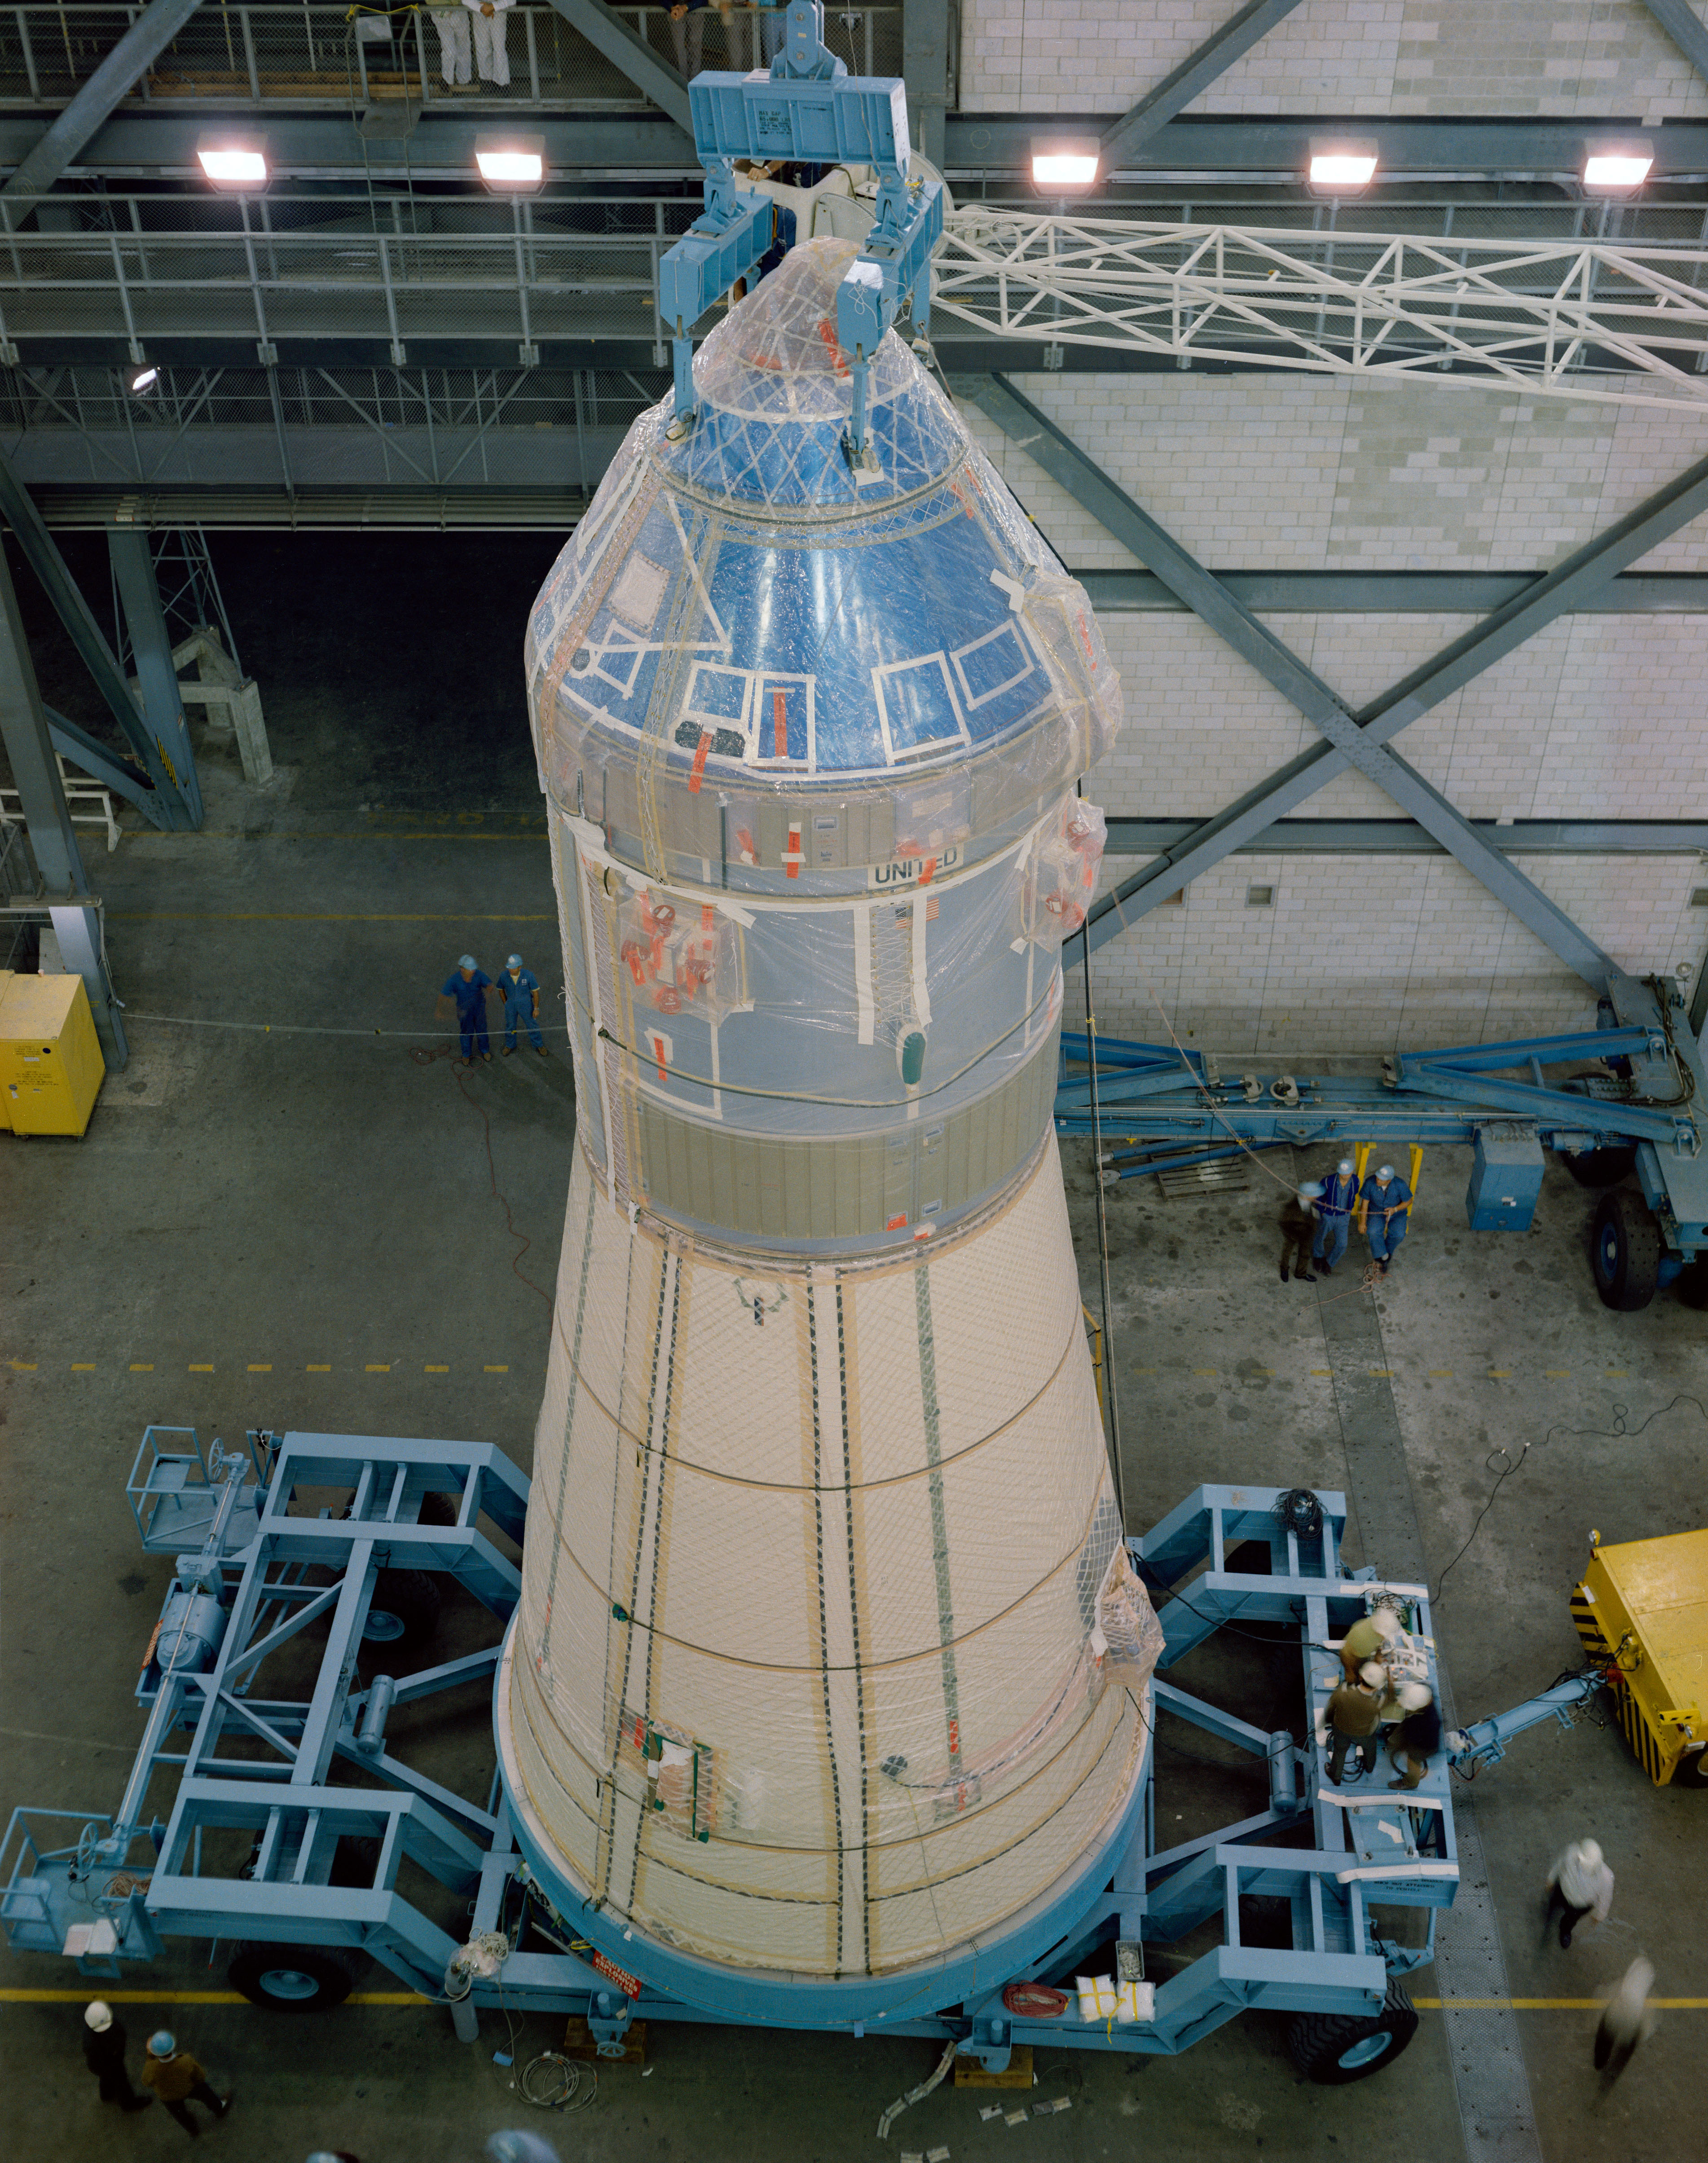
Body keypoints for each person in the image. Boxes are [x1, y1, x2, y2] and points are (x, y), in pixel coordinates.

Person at [141, 2029, 230, 2136]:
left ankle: (193, 2129)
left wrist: (150, 2056)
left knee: (180, 2114)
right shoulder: (186, 2060)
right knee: (206, 2093)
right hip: (189, 2088)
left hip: (168, 2096)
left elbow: (146, 2082)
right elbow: (200, 2076)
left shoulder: (152, 2067)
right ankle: (219, 2108)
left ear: (154, 2052)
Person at [1544, 1836, 1614, 1948]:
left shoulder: (1606, 1877)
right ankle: (1552, 1908)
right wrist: (1551, 1879)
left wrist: (1601, 1914)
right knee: (1554, 1901)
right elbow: (1560, 1864)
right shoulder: (1572, 1852)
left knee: (1570, 1920)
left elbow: (1606, 1898)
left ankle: (1565, 1931)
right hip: (1563, 1891)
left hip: (1581, 1906)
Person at [83, 2000, 151, 2112]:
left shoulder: (92, 2028)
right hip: (110, 2064)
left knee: (105, 2078)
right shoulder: (93, 2045)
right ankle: (129, 2104)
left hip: (99, 2065)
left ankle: (107, 2095)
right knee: (122, 2083)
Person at [1594, 1955, 1655, 2079]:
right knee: (1625, 2051)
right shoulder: (1646, 1973)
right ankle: (1612, 2072)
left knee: (1605, 2041)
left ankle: (1600, 2063)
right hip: (1632, 2025)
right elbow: (1646, 2025)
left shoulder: (1624, 1991)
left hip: (1615, 2017)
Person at [1325, 1661, 1387, 1785]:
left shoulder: (1342, 1693)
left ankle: (1336, 1777)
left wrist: (1328, 1721)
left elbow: (1330, 1712)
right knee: (1370, 1749)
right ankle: (1369, 1768)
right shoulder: (1380, 1701)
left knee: (1340, 1751)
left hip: (1342, 1730)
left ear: (1360, 1678)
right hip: (1365, 1733)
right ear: (1376, 1688)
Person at [1386, 1677, 1441, 1791]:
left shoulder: (1429, 1723)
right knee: (1395, 1739)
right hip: (1414, 1725)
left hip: (1423, 1747)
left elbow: (1411, 1738)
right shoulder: (1423, 1692)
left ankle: (1411, 1783)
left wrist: (1402, 1746)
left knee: (1413, 1763)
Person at [1358, 1161, 1413, 1274]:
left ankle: (1386, 1253)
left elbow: (1409, 1201)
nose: (1378, 1181)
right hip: (1376, 1212)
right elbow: (1364, 1205)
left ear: (1389, 1181)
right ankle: (1382, 1257)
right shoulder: (1370, 1183)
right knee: (1373, 1232)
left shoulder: (1400, 1185)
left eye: (1381, 1180)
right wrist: (1363, 1223)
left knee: (1399, 1234)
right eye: (1378, 1178)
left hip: (1397, 1214)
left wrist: (1395, 1210)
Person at [442, 954, 493, 1065]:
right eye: (470, 970)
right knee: (466, 1032)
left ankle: (485, 1050)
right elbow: (445, 994)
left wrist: (487, 995)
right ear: (462, 969)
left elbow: (489, 985)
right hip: (464, 1012)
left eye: (474, 969)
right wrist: (453, 1008)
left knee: (482, 1030)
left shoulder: (478, 975)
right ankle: (466, 1054)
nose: (473, 972)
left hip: (479, 1009)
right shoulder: (455, 980)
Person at [1312, 1157, 1360, 1276]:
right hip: (1328, 1216)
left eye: (1348, 1174)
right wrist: (1323, 1213)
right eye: (1343, 1174)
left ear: (1352, 1172)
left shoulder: (1355, 1181)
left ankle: (1329, 1263)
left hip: (1344, 1217)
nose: (1345, 1176)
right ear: (1339, 1172)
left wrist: (1349, 1210)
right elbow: (1318, 1197)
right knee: (1319, 1237)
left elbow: (1354, 1195)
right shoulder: (1328, 1181)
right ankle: (1318, 1257)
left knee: (1342, 1244)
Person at [1338, 1601, 1403, 1684]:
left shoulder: (1374, 1623)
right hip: (1351, 1657)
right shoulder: (1363, 1639)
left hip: (1358, 1651)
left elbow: (1379, 1644)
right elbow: (1366, 1660)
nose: (1384, 1637)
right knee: (1353, 1679)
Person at [498, 952, 546, 1056]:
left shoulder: (529, 975)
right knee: (510, 1026)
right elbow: (501, 990)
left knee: (532, 1025)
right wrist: (506, 1003)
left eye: (514, 968)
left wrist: (536, 1008)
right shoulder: (504, 976)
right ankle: (510, 1045)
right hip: (511, 1006)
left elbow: (535, 992)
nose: (511, 970)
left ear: (520, 967)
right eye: (509, 968)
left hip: (526, 1006)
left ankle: (539, 1045)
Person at [462, 0, 514, 87]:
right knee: (482, 48)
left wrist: (494, 6)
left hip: (498, 13)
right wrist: (481, 8)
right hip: (479, 13)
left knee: (499, 49)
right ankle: (486, 82)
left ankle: (502, 83)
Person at [1280, 1181, 1320, 1284]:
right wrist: (1293, 1235)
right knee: (1287, 1252)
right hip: (1292, 1235)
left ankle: (1301, 1273)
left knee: (1305, 1254)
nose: (1316, 1197)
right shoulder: (1292, 1208)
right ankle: (1284, 1270)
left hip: (1306, 1234)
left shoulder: (1312, 1203)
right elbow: (1283, 1223)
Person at [429, 6, 470, 85]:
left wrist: (455, 3)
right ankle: (447, 81)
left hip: (459, 12)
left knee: (464, 48)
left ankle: (464, 80)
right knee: (449, 51)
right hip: (440, 15)